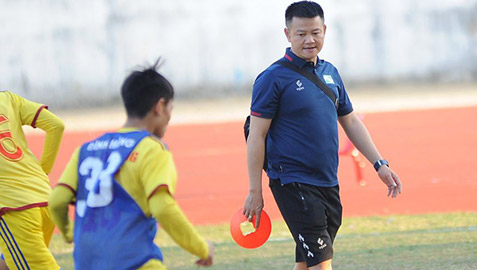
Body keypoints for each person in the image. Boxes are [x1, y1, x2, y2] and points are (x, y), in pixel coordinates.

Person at [242, 1, 402, 270]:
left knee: (307, 262)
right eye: (301, 33)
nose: (309, 40)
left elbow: (350, 120)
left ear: (324, 30)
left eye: (315, 32)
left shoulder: (330, 73)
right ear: (287, 34)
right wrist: (254, 191)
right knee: (321, 265)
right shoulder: (272, 78)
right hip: (292, 182)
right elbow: (256, 136)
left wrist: (379, 164)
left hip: (327, 181)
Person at [48, 60, 214, 270]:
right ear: (159, 106)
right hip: (134, 262)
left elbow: (56, 201)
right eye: (170, 108)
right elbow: (163, 208)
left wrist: (69, 233)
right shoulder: (152, 149)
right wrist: (201, 248)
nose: (170, 117)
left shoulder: (85, 149)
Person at [0, 91, 65, 270]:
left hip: (14, 209)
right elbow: (56, 125)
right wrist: (42, 172)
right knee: (7, 263)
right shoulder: (8, 99)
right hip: (44, 199)